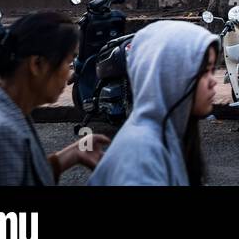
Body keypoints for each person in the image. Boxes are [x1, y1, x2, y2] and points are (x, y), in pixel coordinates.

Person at [0, 12, 108, 185]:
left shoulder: (7, 110)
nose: (70, 73)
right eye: (67, 61)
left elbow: (19, 175)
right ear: (37, 65)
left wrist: (72, 154)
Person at [88, 20, 219, 186]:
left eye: (213, 70)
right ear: (171, 75)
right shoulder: (142, 158)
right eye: (205, 71)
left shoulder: (170, 132)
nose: (213, 81)